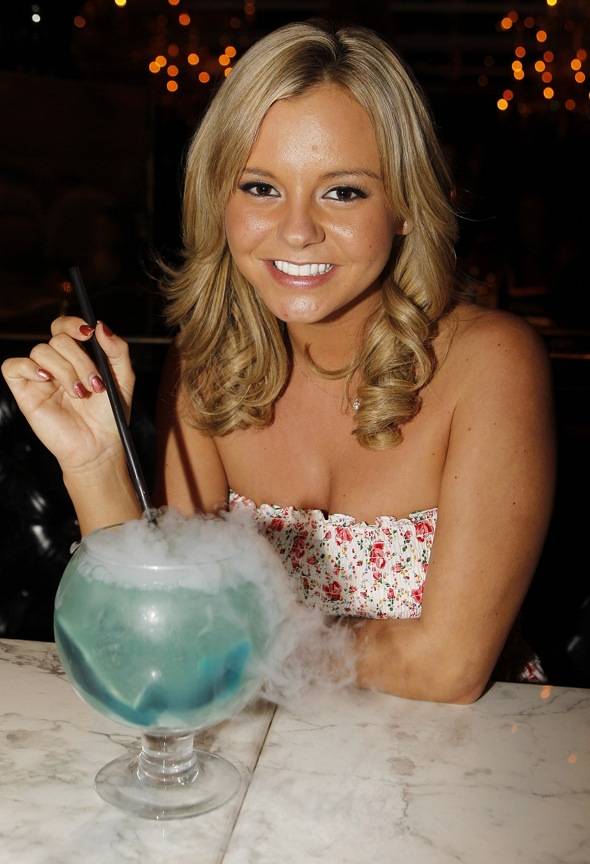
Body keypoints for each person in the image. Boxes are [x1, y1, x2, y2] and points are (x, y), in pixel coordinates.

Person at [1, 20, 555, 704]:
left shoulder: (491, 363)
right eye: (261, 187)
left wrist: (224, 634)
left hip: (468, 753)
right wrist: (94, 464)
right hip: (266, 746)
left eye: (343, 191)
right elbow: (159, 632)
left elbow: (447, 669)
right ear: (220, 199)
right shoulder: (206, 366)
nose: (296, 231)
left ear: (407, 206)